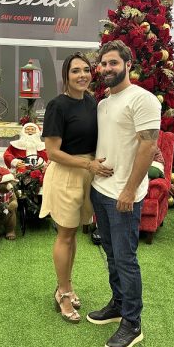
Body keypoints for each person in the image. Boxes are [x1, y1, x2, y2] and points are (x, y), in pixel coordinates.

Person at [87, 40, 161, 347]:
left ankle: (132, 322)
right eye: (103, 63)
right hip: (101, 190)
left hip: (124, 195)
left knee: (126, 259)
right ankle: (118, 304)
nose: (107, 68)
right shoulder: (104, 103)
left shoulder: (143, 99)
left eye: (113, 63)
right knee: (111, 255)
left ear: (128, 65)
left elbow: (148, 146)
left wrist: (130, 189)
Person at [39, 52, 112, 324]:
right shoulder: (57, 106)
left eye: (85, 70)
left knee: (73, 235)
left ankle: (67, 285)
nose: (82, 75)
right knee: (65, 235)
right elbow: (52, 152)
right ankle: (63, 292)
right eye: (75, 71)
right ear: (66, 76)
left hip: (87, 175)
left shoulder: (92, 102)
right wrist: (87, 165)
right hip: (67, 175)